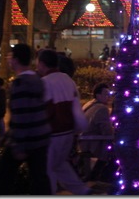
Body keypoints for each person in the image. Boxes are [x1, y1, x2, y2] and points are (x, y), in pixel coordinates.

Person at [0, 44, 52, 195]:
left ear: (16, 59)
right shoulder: (37, 79)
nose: (8, 60)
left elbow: (22, 116)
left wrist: (19, 146)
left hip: (26, 139)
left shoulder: (19, 83)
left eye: (10, 56)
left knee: (3, 176)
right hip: (41, 137)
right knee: (39, 179)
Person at [37, 48, 91, 195]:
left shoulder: (44, 83)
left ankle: (51, 193)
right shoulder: (68, 80)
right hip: (67, 133)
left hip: (53, 133)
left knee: (48, 169)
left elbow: (45, 110)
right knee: (60, 165)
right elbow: (75, 107)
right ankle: (82, 190)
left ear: (42, 63)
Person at [80, 83, 114, 181]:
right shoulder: (102, 108)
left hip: (83, 141)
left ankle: (98, 175)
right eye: (106, 94)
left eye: (109, 94)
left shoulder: (89, 104)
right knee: (117, 149)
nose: (108, 97)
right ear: (98, 95)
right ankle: (102, 176)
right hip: (92, 142)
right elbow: (107, 132)